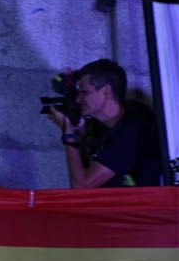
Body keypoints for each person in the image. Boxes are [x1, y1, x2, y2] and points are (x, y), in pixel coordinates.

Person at [48, 58, 162, 187]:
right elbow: (87, 168)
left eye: (84, 92)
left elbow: (81, 186)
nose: (78, 100)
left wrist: (69, 136)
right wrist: (80, 135)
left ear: (106, 91)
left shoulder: (133, 126)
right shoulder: (102, 124)